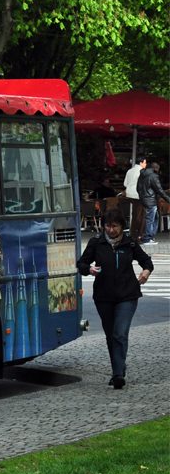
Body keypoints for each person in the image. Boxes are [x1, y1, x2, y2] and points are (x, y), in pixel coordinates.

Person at [76, 208, 153, 390]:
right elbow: (82, 263)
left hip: (128, 295)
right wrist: (89, 270)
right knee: (111, 335)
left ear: (122, 226)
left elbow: (147, 262)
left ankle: (117, 375)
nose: (111, 230)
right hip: (103, 296)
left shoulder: (130, 244)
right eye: (108, 226)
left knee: (120, 333)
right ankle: (119, 368)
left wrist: (146, 272)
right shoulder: (97, 242)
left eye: (115, 226)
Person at [138, 161, 170, 245]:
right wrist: (168, 199)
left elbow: (138, 187)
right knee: (150, 219)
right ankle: (147, 238)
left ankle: (149, 236)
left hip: (144, 199)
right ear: (156, 169)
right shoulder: (153, 176)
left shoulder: (142, 175)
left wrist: (142, 196)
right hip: (151, 199)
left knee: (155, 218)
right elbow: (159, 190)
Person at [123, 157, 146, 239]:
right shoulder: (142, 171)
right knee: (139, 215)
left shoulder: (129, 171)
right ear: (141, 163)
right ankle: (137, 234)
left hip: (129, 194)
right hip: (138, 195)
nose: (145, 165)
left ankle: (137, 233)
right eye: (145, 163)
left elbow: (125, 183)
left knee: (138, 213)